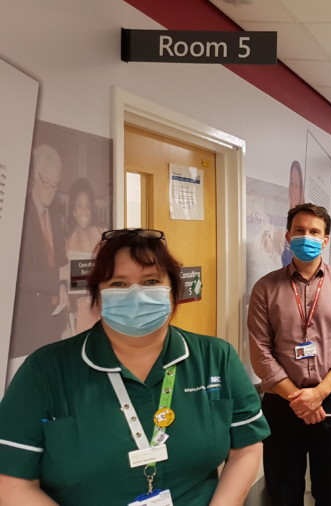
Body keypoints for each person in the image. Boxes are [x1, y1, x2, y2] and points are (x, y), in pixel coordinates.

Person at [0, 228, 270, 505]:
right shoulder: (45, 370)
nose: (137, 295)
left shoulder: (216, 358)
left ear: (173, 289)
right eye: (118, 284)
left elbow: (246, 447)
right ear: (97, 293)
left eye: (151, 280)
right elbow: (10, 481)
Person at [248, 202, 331, 506]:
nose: (306, 236)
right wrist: (299, 399)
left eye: (314, 231)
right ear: (288, 236)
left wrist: (318, 394)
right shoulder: (266, 287)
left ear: (326, 240)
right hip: (281, 405)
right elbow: (260, 352)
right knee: (283, 495)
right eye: (299, 230)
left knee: (330, 494)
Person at [10, 144, 68, 358]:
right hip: (27, 323)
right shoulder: (20, 213)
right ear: (35, 176)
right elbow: (19, 274)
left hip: (52, 321)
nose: (52, 190)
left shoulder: (54, 216)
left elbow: (58, 257)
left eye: (56, 185)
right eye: (47, 183)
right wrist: (58, 275)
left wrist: (61, 286)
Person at [64, 177, 105, 334]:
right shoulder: (70, 241)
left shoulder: (102, 233)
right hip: (82, 308)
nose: (84, 211)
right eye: (79, 206)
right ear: (73, 212)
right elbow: (67, 279)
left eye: (87, 206)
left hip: (103, 303)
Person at [281, 161, 305, 267]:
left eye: (297, 186)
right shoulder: (286, 217)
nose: (294, 190)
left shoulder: (305, 218)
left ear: (301, 190)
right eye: (292, 184)